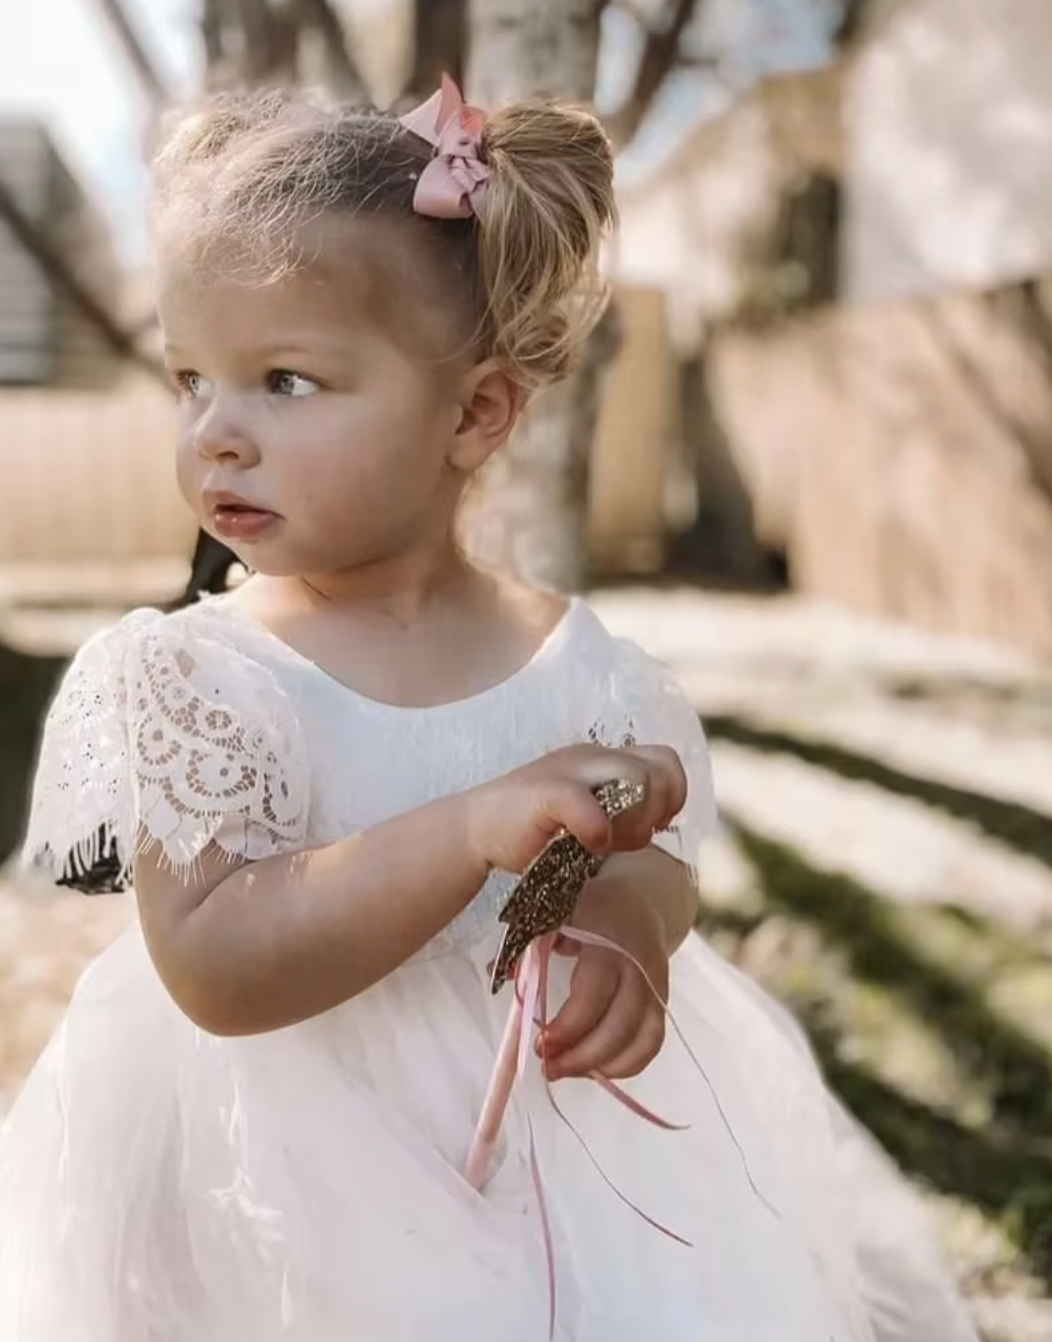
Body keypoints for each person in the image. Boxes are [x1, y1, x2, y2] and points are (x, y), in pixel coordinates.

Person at [0, 78, 977, 1342]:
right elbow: (220, 968)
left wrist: (628, 918)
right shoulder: (197, 679)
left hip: (549, 1162)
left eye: (284, 382)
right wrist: (470, 825)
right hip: (276, 1191)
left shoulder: (589, 671)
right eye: (192, 379)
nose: (217, 437)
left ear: (475, 412)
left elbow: (650, 841)